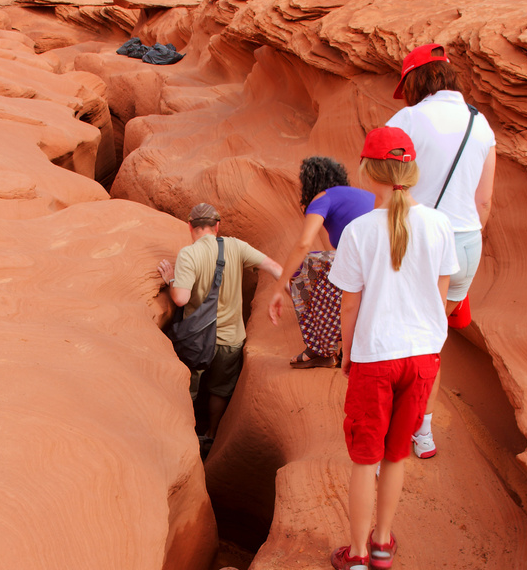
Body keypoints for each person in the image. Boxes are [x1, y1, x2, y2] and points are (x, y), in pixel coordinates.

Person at [326, 126, 458, 570]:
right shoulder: (440, 224)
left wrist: (347, 353)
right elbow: (442, 296)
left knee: (366, 457)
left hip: (376, 355)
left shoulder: (359, 231)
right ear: (412, 170)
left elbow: (349, 303)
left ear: (369, 170)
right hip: (422, 355)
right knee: (396, 454)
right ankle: (383, 541)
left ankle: (358, 554)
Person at [391, 43, 496, 459]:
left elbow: (388, 187)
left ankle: (399, 430)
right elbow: (484, 202)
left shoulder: (409, 119)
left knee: (402, 340)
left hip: (419, 243)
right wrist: (462, 242)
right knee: (432, 342)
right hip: (467, 244)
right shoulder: (480, 123)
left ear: (416, 79)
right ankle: (425, 433)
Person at [157, 204, 282, 451]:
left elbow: (181, 299)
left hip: (197, 340)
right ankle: (212, 433)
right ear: (217, 226)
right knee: (220, 389)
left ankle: (186, 437)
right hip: (231, 339)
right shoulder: (236, 246)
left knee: (188, 388)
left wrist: (171, 279)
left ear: (190, 226)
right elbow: (276, 268)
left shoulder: (188, 255)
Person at [267, 156, 374, 366]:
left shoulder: (323, 198)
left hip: (366, 267)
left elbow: (303, 244)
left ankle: (321, 349)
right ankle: (348, 342)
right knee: (334, 273)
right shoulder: (360, 196)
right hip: (384, 266)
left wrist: (280, 286)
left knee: (305, 266)